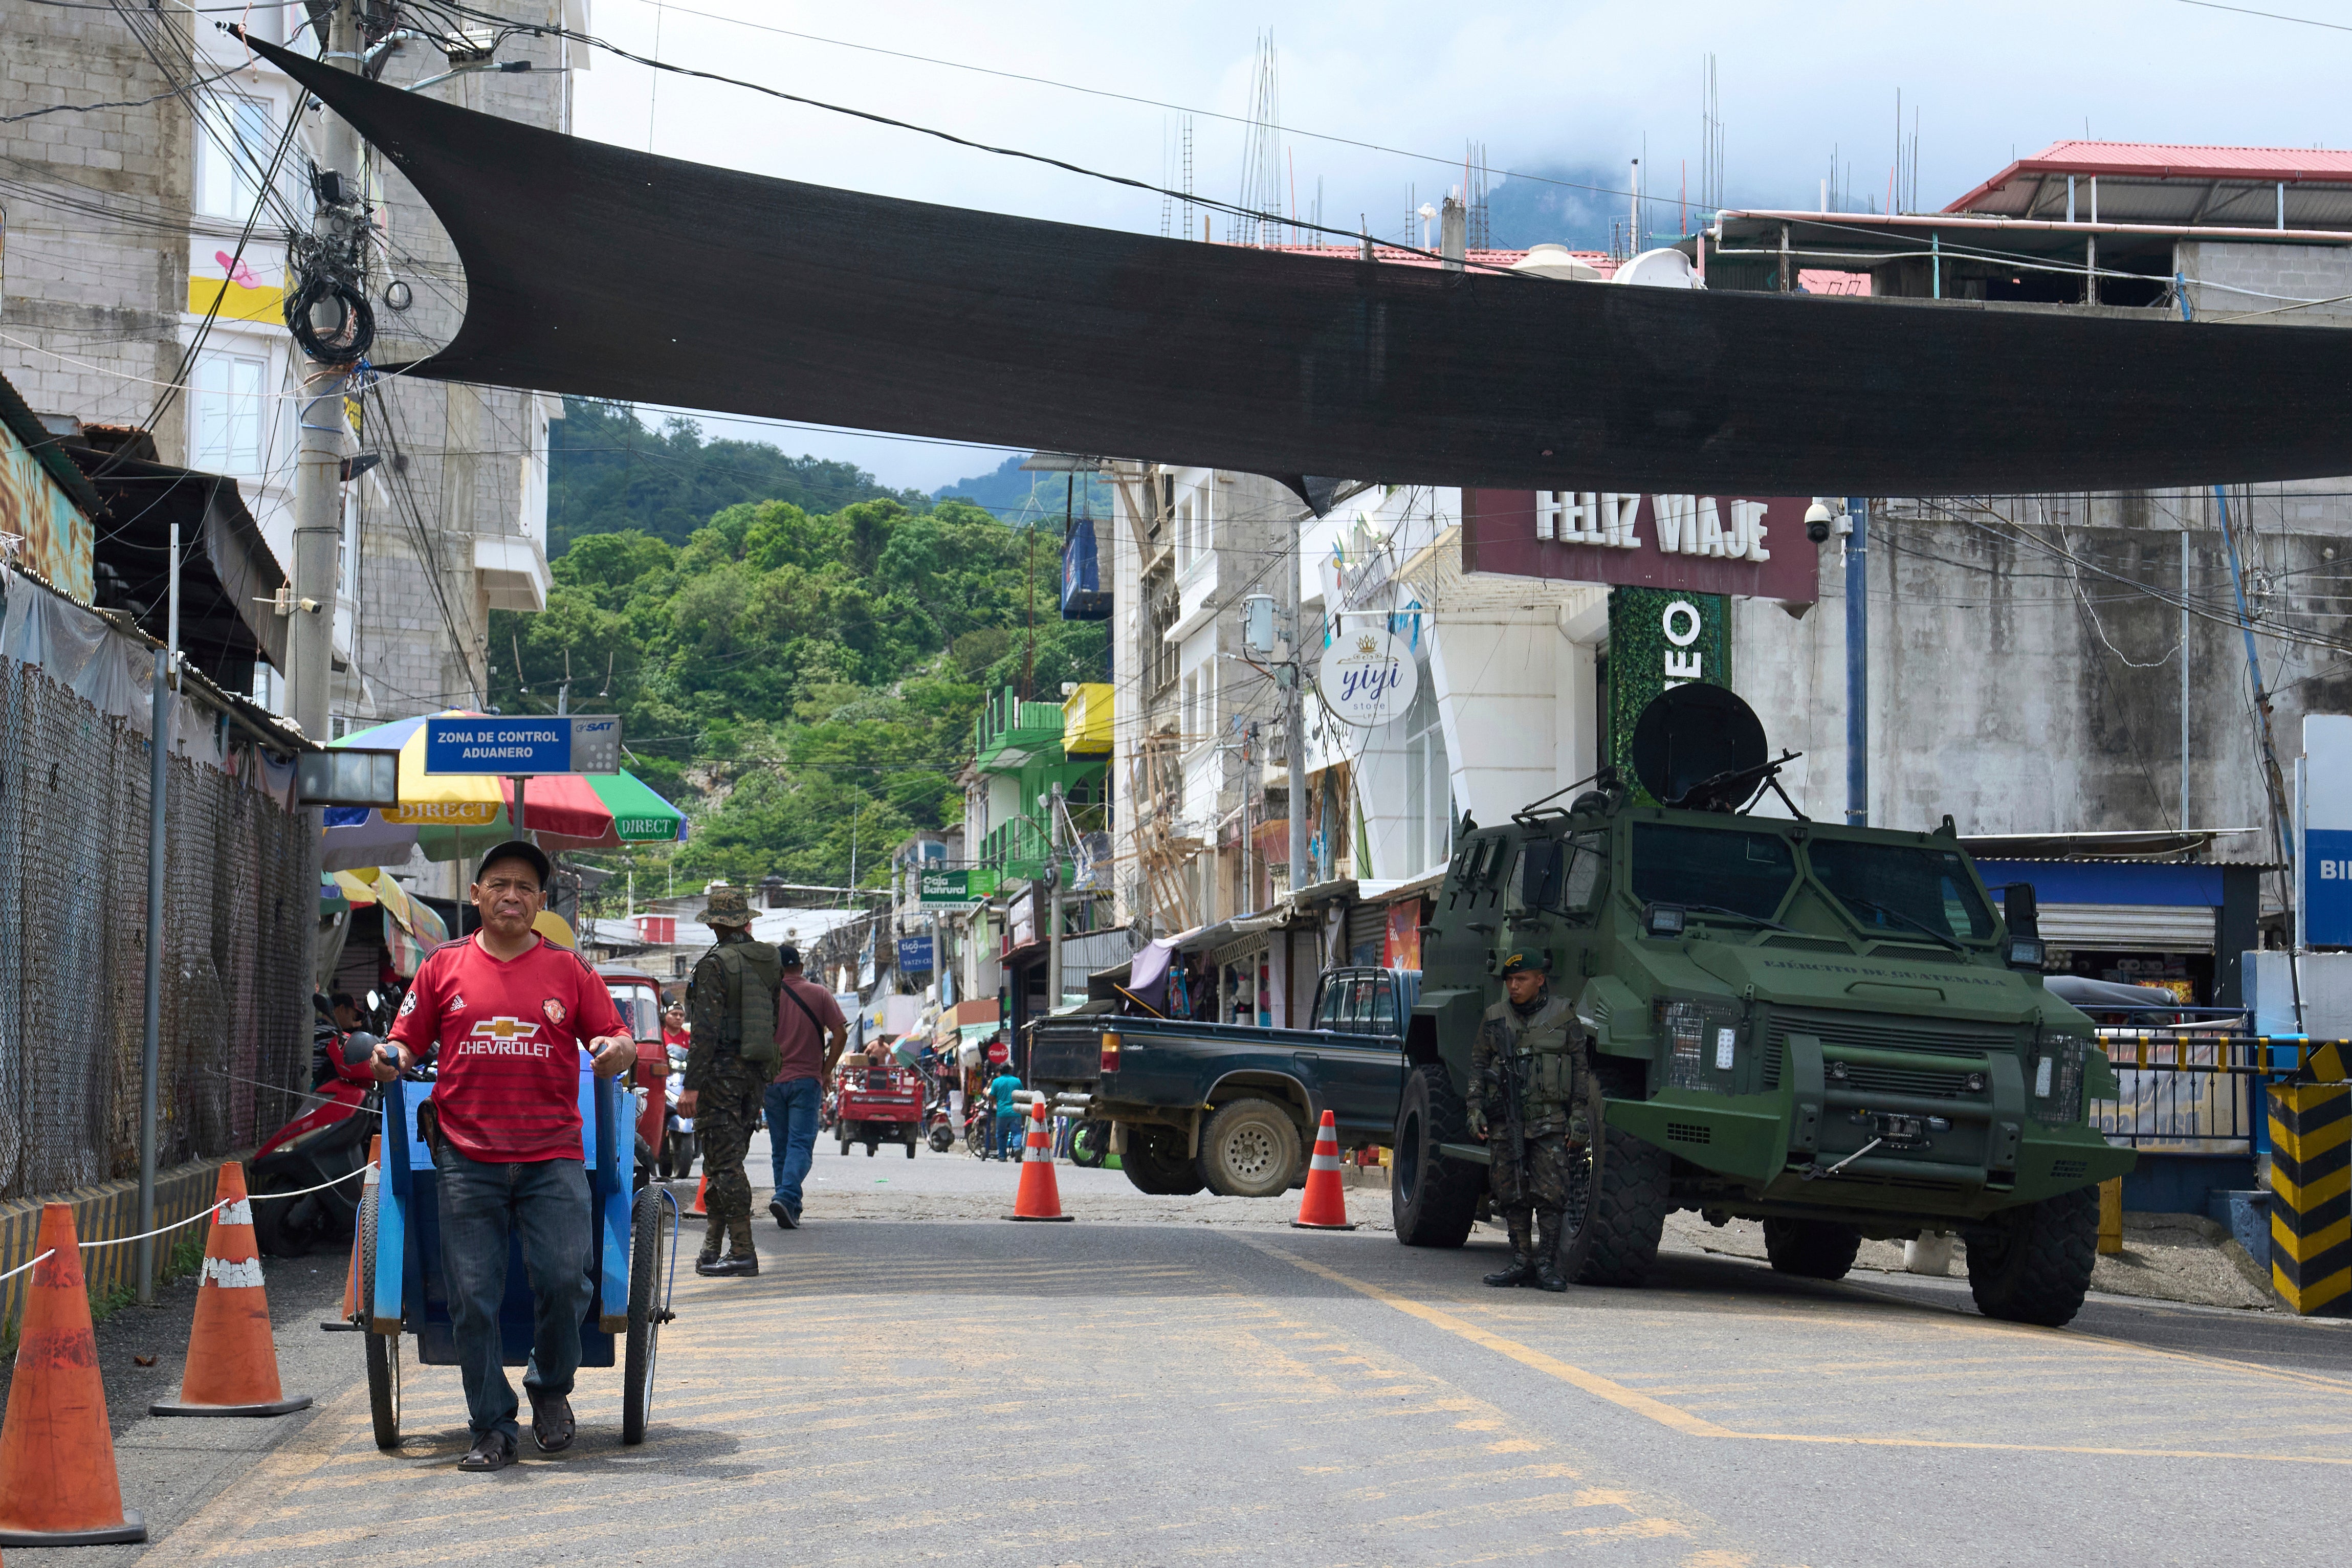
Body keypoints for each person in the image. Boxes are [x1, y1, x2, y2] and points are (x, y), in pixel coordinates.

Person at [377, 839, 635, 1473]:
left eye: (524, 886)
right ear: (477, 893)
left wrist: (615, 1053)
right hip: (466, 1156)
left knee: (564, 1279)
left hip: (553, 1156)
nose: (511, 895)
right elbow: (403, 1040)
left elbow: (617, 1036)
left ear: (541, 901)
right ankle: (492, 1424)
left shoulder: (569, 971)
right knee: (472, 1297)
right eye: (498, 883)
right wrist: (393, 1057)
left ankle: (549, 1387)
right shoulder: (442, 967)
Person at [1466, 951, 1590, 1294]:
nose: (1513, 986)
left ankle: (1546, 1264)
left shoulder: (1564, 1016)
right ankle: (1521, 1261)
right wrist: (1474, 1108)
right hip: (1506, 1120)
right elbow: (1478, 1064)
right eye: (1509, 980)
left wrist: (1579, 1116)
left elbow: (1580, 1070)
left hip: (1549, 1120)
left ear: (1540, 979)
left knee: (1551, 1194)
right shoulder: (1495, 1017)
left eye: (1521, 979)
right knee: (1510, 1191)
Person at [678, 886, 781, 1277]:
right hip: (754, 1074)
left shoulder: (714, 965)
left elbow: (703, 1032)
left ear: (716, 924)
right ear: (746, 920)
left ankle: (742, 1250)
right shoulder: (770, 960)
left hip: (719, 1075)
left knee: (725, 1165)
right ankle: (711, 1247)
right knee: (726, 1161)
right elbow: (774, 1018)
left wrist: (691, 1086)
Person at [766, 943, 847, 1230]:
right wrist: (826, 1071)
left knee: (781, 1147)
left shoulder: (767, 996)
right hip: (805, 1081)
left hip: (772, 1082)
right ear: (800, 967)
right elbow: (840, 1034)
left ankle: (788, 1204)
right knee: (800, 1143)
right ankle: (787, 1197)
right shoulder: (820, 994)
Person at [987, 1059, 1024, 1161]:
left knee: (1001, 1134)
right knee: (1017, 1133)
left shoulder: (996, 1082)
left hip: (1002, 1112)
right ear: (1009, 1071)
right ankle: (1017, 1149)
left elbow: (991, 1097)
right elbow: (1022, 1095)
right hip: (1015, 1111)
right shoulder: (1017, 1081)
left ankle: (1002, 1156)